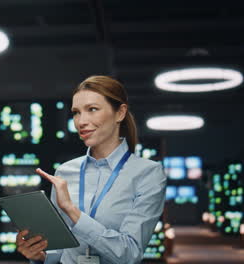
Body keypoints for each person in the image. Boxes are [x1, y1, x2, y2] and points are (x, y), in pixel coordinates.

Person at [16, 76, 166, 264]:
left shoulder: (148, 173)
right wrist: (41, 256)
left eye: (92, 110)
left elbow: (130, 254)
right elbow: (63, 251)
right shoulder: (64, 172)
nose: (81, 121)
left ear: (120, 113)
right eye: (76, 113)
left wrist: (72, 211)